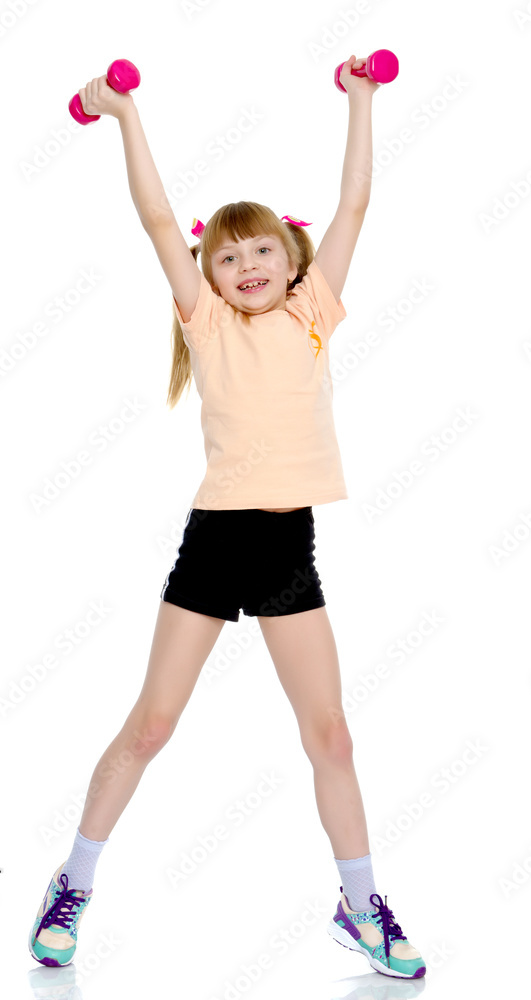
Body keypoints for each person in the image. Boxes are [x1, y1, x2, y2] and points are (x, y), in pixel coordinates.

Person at [28, 55, 426, 981]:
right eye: (228, 254)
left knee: (330, 734)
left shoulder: (314, 315)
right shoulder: (206, 321)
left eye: (263, 253)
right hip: (215, 543)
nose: (246, 266)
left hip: (287, 548)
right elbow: (158, 217)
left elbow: (356, 201)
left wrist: (361, 97)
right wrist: (125, 114)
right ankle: (72, 883)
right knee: (152, 727)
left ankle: (359, 903)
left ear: (293, 264)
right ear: (210, 271)